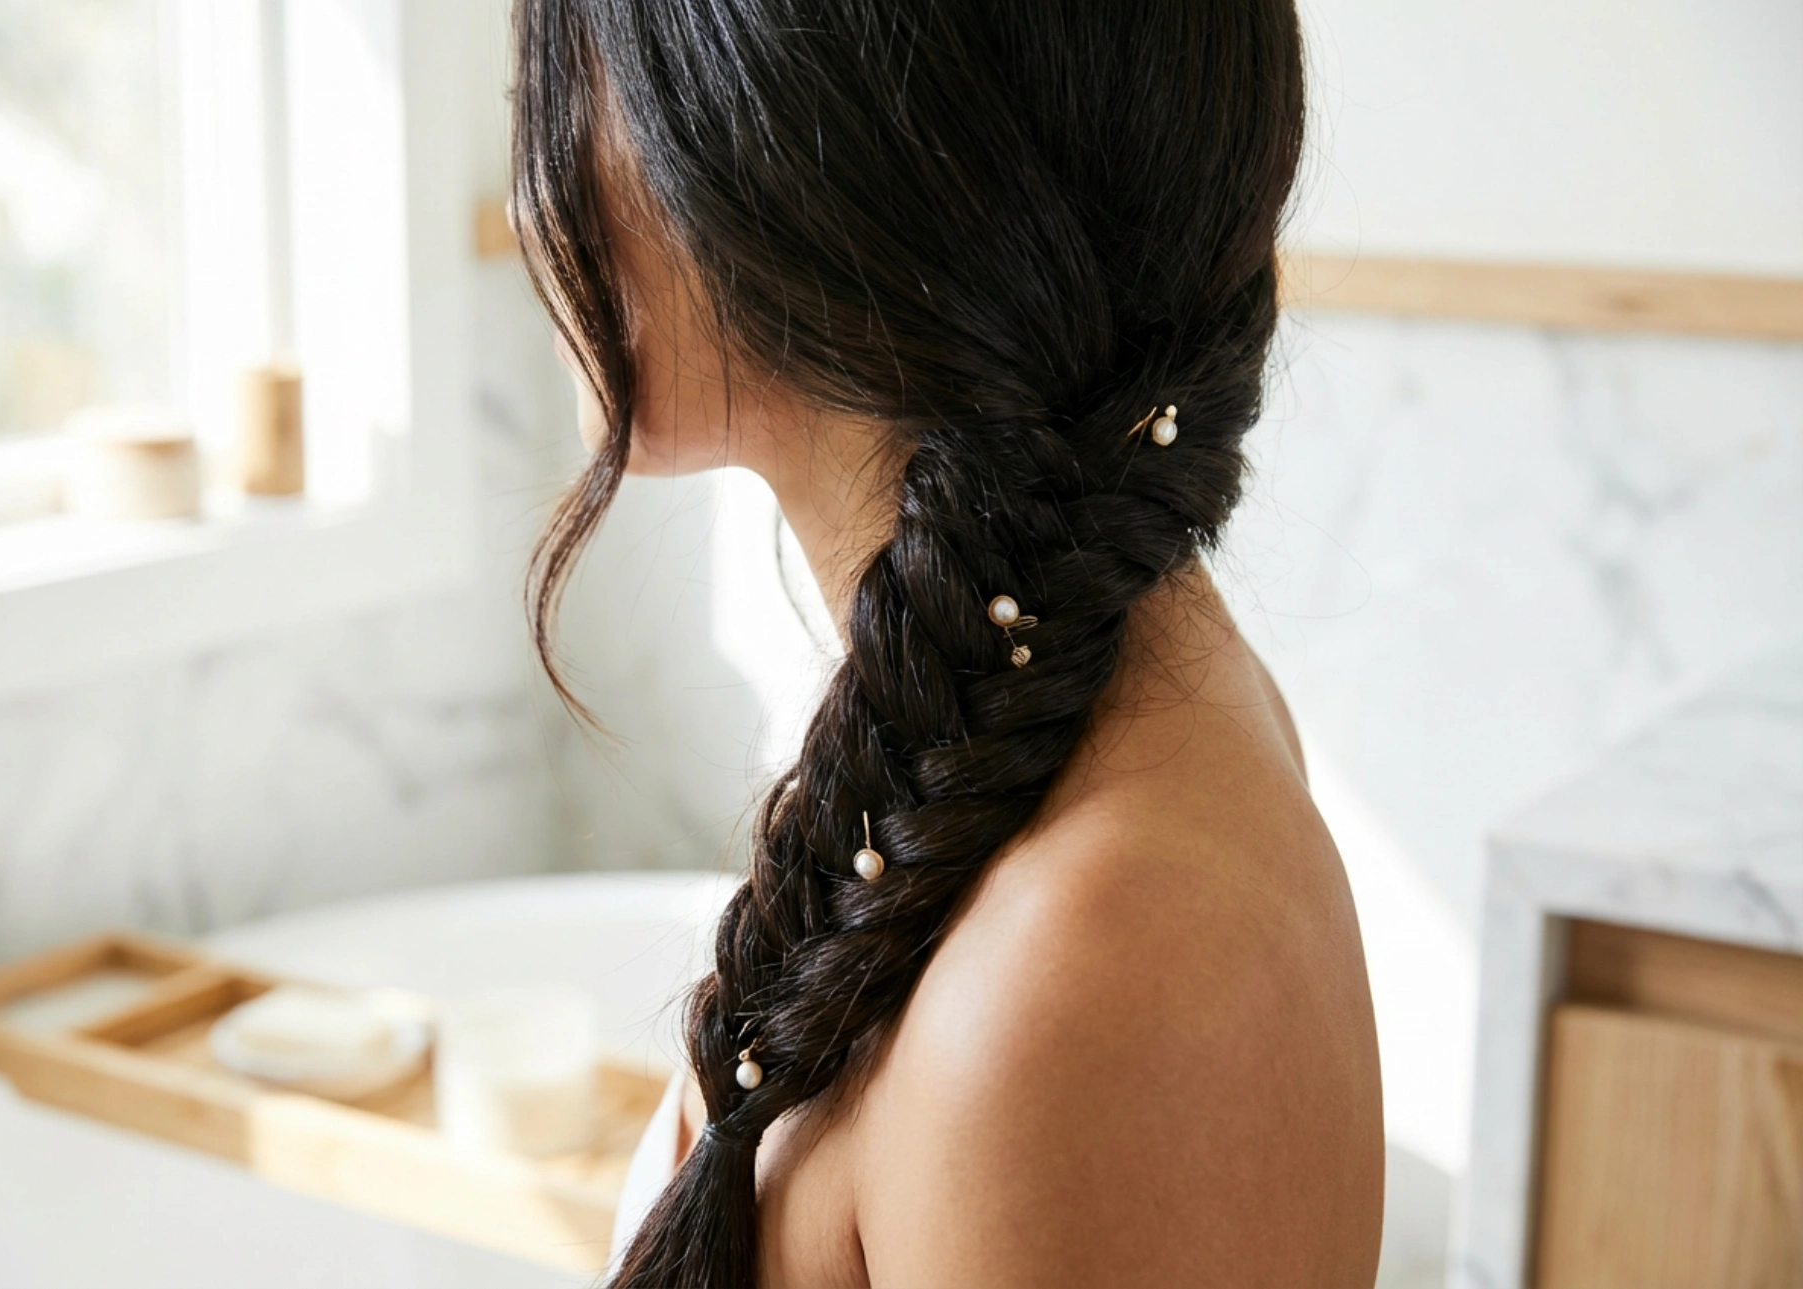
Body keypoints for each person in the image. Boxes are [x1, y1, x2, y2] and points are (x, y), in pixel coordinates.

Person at [511, 1, 1385, 1284]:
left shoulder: (1082, 971)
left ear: (796, 154)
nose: (531, 195)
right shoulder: (1034, 693)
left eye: (570, 81)